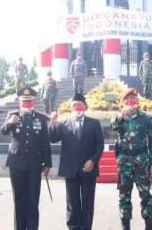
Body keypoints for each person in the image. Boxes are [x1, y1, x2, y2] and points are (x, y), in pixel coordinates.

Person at [49, 93, 104, 230]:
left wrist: (93, 160)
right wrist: (52, 124)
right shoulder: (63, 123)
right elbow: (53, 138)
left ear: (85, 107)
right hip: (70, 169)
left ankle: (86, 227)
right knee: (72, 201)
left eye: (80, 105)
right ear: (71, 108)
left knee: (87, 201)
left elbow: (100, 145)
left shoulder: (94, 123)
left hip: (88, 169)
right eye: (75, 105)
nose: (77, 107)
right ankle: (73, 226)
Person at [1, 87, 52, 230]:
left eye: (29, 101)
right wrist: (10, 122)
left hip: (34, 165)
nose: (27, 103)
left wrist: (47, 163)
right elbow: (3, 131)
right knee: (19, 199)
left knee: (33, 200)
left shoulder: (40, 118)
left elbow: (45, 142)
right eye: (24, 100)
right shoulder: (13, 115)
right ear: (19, 101)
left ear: (33, 101)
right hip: (16, 164)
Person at [112, 88, 152, 230]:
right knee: (124, 197)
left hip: (142, 161)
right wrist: (121, 115)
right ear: (123, 103)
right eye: (128, 100)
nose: (131, 102)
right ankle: (125, 226)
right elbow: (113, 126)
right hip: (124, 164)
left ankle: (148, 226)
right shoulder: (119, 118)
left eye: (134, 99)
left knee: (146, 196)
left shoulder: (146, 118)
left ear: (138, 102)